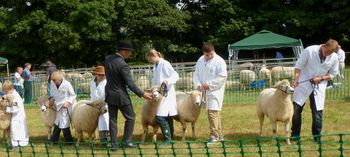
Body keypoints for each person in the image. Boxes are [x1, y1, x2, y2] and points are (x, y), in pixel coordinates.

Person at [104, 40, 152, 150]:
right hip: (121, 95)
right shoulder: (123, 64)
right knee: (131, 117)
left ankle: (114, 145)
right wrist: (143, 94)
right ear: (124, 51)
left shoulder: (107, 59)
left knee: (112, 120)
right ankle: (126, 141)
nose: (130, 54)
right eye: (130, 52)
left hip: (110, 94)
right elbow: (130, 84)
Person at [291, 39, 339, 142]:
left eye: (330, 53)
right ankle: (295, 135)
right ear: (324, 46)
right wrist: (296, 79)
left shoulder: (334, 57)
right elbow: (298, 66)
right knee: (296, 110)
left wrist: (321, 78)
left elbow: (333, 74)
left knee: (317, 113)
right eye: (327, 52)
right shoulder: (309, 50)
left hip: (319, 86)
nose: (328, 55)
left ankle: (317, 138)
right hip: (303, 83)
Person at [193, 41, 227, 143]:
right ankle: (219, 135)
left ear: (214, 51)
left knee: (212, 113)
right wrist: (198, 84)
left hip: (215, 91)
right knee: (214, 113)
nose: (209, 56)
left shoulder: (219, 61)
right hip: (203, 90)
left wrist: (209, 85)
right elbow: (196, 74)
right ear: (204, 53)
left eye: (211, 53)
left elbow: (222, 77)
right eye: (207, 54)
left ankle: (214, 136)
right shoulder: (200, 60)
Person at [147, 49, 179, 143]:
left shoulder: (165, 63)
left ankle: (168, 139)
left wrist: (167, 81)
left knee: (160, 116)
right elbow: (155, 80)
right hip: (159, 93)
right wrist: (152, 89)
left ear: (154, 56)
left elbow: (175, 75)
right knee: (167, 116)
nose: (150, 61)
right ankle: (170, 137)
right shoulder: (155, 66)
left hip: (167, 93)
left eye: (150, 59)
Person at [49, 71, 76, 144]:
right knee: (57, 122)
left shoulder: (67, 84)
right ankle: (54, 140)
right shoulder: (53, 84)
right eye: (53, 80)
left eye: (55, 80)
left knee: (64, 124)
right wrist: (51, 99)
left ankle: (68, 141)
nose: (54, 82)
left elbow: (73, 95)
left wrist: (68, 102)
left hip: (65, 107)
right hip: (57, 106)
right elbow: (53, 93)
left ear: (60, 79)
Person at [3, 80, 29, 148]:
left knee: (16, 129)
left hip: (18, 116)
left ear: (10, 89)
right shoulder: (12, 94)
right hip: (16, 116)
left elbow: (16, 108)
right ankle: (16, 143)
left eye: (6, 91)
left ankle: (18, 144)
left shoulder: (15, 97)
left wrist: (7, 110)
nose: (5, 93)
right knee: (16, 129)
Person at [90, 65, 109, 147]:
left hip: (105, 105)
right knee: (94, 122)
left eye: (103, 75)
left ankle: (105, 141)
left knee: (104, 122)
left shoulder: (107, 82)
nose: (102, 76)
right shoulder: (92, 82)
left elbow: (107, 95)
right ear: (96, 74)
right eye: (100, 75)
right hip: (94, 105)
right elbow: (92, 93)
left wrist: (102, 103)